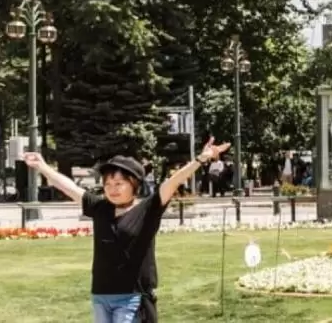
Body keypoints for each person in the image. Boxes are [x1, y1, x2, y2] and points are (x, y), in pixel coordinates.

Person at [23, 136, 231, 323]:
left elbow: (173, 181)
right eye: (108, 184)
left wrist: (202, 158)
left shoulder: (147, 209)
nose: (112, 189)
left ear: (134, 185)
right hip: (101, 295)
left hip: (132, 297)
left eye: (119, 184)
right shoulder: (100, 208)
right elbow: (69, 187)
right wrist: (42, 166)